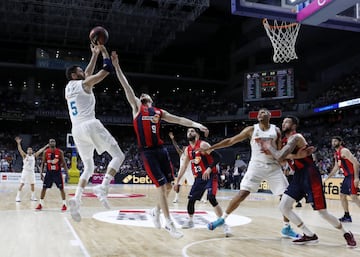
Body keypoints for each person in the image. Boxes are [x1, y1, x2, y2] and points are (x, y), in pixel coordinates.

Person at [111, 51, 209, 239]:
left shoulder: (158, 111)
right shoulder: (136, 107)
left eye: (145, 95)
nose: (142, 95)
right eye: (141, 95)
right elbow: (126, 85)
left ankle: (156, 211)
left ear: (151, 100)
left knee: (169, 186)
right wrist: (116, 66)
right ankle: (169, 223)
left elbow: (179, 120)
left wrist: (196, 124)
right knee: (161, 186)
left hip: (161, 150)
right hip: (147, 152)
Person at [259, 116, 356, 247]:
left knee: (322, 212)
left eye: (286, 122)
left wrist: (268, 147)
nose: (283, 124)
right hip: (298, 175)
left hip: (310, 174)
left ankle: (346, 233)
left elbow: (280, 155)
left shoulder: (296, 137)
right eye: (282, 122)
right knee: (283, 207)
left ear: (293, 126)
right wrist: (294, 155)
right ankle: (309, 235)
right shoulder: (284, 141)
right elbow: (280, 160)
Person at [202, 108, 299, 239]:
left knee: (285, 196)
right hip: (256, 166)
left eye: (264, 112)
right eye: (259, 113)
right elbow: (231, 141)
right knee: (242, 193)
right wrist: (212, 147)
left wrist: (286, 161)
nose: (260, 114)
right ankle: (223, 219)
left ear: (269, 116)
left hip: (273, 167)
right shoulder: (251, 130)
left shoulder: (276, 130)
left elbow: (280, 150)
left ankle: (286, 228)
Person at [65, 44, 125, 222]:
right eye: (81, 70)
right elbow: (105, 71)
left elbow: (87, 74)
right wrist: (105, 53)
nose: (84, 71)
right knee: (118, 156)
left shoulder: (69, 87)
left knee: (89, 167)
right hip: (90, 124)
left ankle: (76, 199)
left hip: (76, 130)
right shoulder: (84, 83)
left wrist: (94, 55)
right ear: (75, 75)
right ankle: (103, 186)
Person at [174, 128, 231, 237]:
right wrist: (177, 181)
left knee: (211, 197)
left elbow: (217, 157)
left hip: (210, 175)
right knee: (191, 200)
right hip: (199, 178)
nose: (190, 133)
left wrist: (209, 168)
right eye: (188, 132)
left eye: (192, 131)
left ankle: (224, 225)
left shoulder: (203, 145)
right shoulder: (188, 150)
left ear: (197, 135)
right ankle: (190, 221)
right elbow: (184, 166)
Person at [325, 136, 360, 223]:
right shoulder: (336, 154)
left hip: (352, 176)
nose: (333, 143)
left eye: (335, 141)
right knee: (342, 195)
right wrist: (327, 177)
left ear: (340, 142)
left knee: (354, 197)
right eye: (332, 141)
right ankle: (347, 216)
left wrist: (356, 177)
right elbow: (336, 168)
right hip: (347, 177)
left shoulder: (344, 151)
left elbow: (356, 163)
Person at [36, 139, 69, 211]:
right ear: (49, 143)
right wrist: (41, 173)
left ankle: (64, 204)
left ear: (55, 143)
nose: (52, 142)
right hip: (49, 173)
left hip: (57, 173)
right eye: (51, 141)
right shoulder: (46, 152)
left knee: (61, 189)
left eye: (54, 141)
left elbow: (64, 163)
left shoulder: (60, 152)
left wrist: (67, 173)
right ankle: (40, 204)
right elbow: (42, 163)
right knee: (44, 188)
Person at [15, 137, 49, 202]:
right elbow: (20, 150)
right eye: (29, 150)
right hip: (25, 171)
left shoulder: (34, 156)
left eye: (31, 149)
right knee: (22, 184)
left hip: (31, 172)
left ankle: (33, 197)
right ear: (27, 151)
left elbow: (40, 150)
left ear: (32, 151)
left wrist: (46, 146)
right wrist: (18, 143)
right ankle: (17, 197)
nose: (30, 150)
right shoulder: (25, 155)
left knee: (32, 184)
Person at [168, 131, 194, 203]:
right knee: (178, 185)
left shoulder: (190, 154)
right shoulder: (180, 153)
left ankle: (198, 197)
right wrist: (172, 139)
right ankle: (176, 198)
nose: (184, 148)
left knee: (194, 185)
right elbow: (175, 146)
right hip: (181, 172)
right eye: (183, 147)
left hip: (189, 172)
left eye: (186, 147)